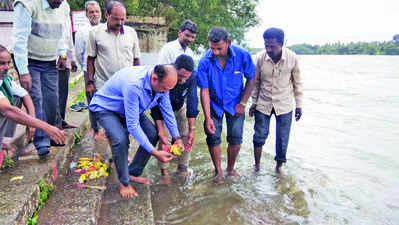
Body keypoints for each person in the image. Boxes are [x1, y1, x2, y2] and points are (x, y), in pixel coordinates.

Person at [89, 64, 184, 198]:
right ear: (155, 78)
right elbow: (132, 125)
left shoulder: (163, 87)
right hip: (107, 108)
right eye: (164, 89)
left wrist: (177, 138)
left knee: (152, 134)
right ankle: (124, 183)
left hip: (130, 108)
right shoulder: (134, 85)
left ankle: (132, 173)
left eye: (169, 90)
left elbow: (167, 111)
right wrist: (155, 152)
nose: (166, 93)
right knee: (120, 140)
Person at [197, 27, 256, 183]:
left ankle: (230, 169)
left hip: (236, 103)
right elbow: (204, 91)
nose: (215, 52)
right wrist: (207, 117)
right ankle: (218, 171)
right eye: (212, 48)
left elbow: (252, 79)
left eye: (219, 48)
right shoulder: (204, 61)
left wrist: (243, 103)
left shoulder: (243, 56)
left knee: (236, 138)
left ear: (228, 43)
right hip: (214, 104)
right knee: (213, 136)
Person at [12, 0, 69, 158]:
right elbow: (20, 40)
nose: (59, 3)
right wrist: (23, 72)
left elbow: (61, 32)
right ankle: (42, 142)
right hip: (30, 60)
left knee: (51, 100)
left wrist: (62, 53)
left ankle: (52, 135)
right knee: (37, 100)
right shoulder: (27, 5)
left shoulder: (63, 5)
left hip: (50, 60)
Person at [249, 28, 303, 174]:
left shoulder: (292, 58)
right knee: (259, 136)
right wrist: (253, 102)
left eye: (272, 46)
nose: (268, 49)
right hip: (263, 103)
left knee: (282, 139)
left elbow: (297, 83)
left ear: (281, 44)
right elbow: (255, 82)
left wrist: (299, 105)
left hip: (284, 104)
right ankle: (257, 166)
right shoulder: (260, 58)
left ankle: (278, 169)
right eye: (266, 45)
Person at [0, 45, 65, 165]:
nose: (6, 67)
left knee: (17, 97)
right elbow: (8, 110)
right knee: (9, 108)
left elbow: (25, 95)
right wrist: (46, 127)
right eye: (1, 63)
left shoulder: (6, 80)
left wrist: (32, 124)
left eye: (8, 63)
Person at [151, 55, 198, 185]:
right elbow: (155, 106)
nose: (183, 81)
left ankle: (182, 168)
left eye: (186, 77)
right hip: (162, 109)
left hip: (180, 106)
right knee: (165, 139)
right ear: (174, 69)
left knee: (186, 137)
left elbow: (193, 102)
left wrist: (192, 130)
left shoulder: (193, 77)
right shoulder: (165, 76)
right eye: (180, 76)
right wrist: (160, 131)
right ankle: (164, 172)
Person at [86, 1, 141, 98]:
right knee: (103, 113)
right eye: (116, 19)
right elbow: (90, 59)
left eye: (122, 20)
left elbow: (136, 60)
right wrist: (90, 82)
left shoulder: (131, 33)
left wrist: (137, 82)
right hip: (103, 86)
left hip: (126, 86)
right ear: (107, 15)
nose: (119, 23)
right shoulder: (95, 33)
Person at [74, 0, 103, 140]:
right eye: (91, 12)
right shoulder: (81, 32)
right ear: (86, 14)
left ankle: (106, 129)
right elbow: (79, 54)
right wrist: (87, 69)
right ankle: (96, 130)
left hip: (104, 72)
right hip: (89, 72)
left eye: (97, 11)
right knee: (92, 100)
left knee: (105, 100)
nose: (95, 14)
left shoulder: (105, 29)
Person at [56, 0, 78, 131]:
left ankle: (61, 121)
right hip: (52, 57)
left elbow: (68, 35)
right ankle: (51, 125)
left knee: (63, 92)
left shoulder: (65, 5)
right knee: (52, 94)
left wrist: (72, 58)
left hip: (65, 58)